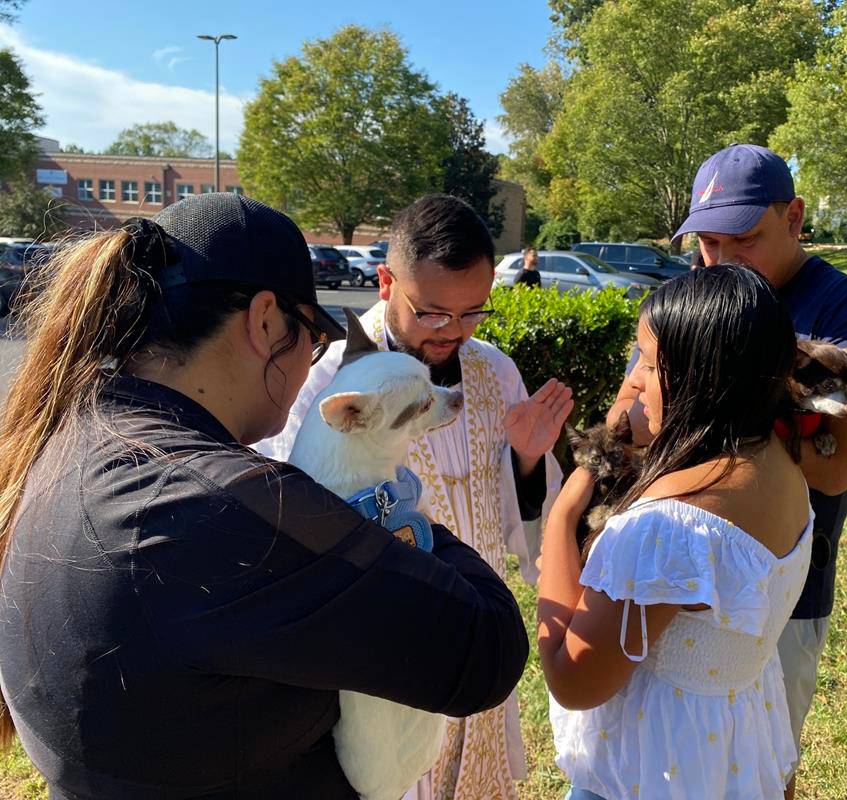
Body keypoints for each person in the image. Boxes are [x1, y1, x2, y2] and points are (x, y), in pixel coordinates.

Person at [0, 194, 529, 799]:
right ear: (264, 322)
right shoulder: (220, 506)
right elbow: (485, 648)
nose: (313, 362)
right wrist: (399, 507)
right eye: (311, 336)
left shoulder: (69, 439)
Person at [609, 144, 847, 799]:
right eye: (707, 243)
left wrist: (692, 417)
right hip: (664, 588)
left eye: (743, 238)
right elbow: (622, 421)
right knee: (649, 762)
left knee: (763, 769)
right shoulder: (684, 296)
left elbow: (834, 470)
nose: (720, 260)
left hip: (773, 596)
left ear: (794, 217)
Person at [257, 194, 570, 800]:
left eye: (473, 313)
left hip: (470, 637)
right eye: (432, 313)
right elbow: (290, 515)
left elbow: (515, 520)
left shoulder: (495, 372)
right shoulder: (330, 385)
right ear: (385, 282)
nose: (454, 333)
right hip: (382, 659)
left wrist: (529, 460)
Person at [540, 265, 813, 799]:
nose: (633, 379)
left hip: (652, 773)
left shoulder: (666, 528)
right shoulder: (781, 466)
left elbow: (574, 681)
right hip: (734, 757)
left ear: (702, 377)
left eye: (647, 360)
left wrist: (561, 515)